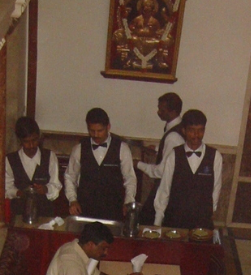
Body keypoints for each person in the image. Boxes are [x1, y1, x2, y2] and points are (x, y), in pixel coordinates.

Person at [153, 109, 222, 230]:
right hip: (175, 219)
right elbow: (164, 189)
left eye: (200, 130)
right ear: (184, 131)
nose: (196, 135)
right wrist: (157, 222)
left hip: (202, 221)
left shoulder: (215, 156)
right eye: (192, 130)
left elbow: (216, 189)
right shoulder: (174, 155)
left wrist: (209, 212)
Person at [64, 108, 136, 220]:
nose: (96, 135)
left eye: (100, 131)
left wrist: (128, 201)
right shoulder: (79, 149)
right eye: (92, 131)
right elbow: (70, 176)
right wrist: (72, 200)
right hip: (85, 208)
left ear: (108, 127)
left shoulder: (122, 148)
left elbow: (130, 178)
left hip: (114, 209)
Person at [136, 92, 185, 222]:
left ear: (173, 111)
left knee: (147, 221)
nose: (158, 112)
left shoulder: (173, 137)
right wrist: (158, 149)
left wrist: (138, 164)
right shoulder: (178, 129)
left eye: (162, 110)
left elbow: (161, 171)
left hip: (167, 188)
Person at [5, 116, 61, 219]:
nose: (31, 145)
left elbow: (56, 185)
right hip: (19, 215)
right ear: (20, 140)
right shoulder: (10, 160)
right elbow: (7, 188)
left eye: (34, 140)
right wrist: (19, 193)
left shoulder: (49, 157)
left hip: (44, 214)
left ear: (39, 137)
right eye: (26, 142)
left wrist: (46, 189)